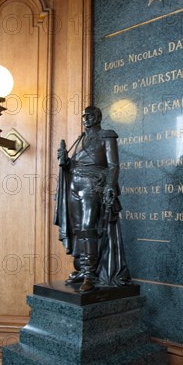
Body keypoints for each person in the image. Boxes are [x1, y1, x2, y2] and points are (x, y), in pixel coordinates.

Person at [54, 106, 131, 292]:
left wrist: (111, 186)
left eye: (89, 116)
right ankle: (81, 269)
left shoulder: (107, 136)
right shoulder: (80, 139)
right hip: (75, 183)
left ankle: (90, 273)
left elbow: (113, 165)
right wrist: (65, 162)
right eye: (84, 116)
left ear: (97, 117)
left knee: (89, 228)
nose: (86, 119)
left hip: (93, 184)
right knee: (77, 229)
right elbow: (76, 162)